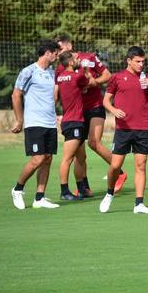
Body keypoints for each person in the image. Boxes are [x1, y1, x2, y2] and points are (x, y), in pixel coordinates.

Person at [55, 34, 116, 197]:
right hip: (76, 114)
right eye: (57, 49)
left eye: (60, 48)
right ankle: (83, 188)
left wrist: (93, 82)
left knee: (94, 143)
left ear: (69, 45)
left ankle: (118, 170)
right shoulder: (60, 67)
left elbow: (107, 75)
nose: (58, 52)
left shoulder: (88, 57)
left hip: (94, 106)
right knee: (78, 154)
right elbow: (59, 92)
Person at [99, 46, 148, 214]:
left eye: (143, 62)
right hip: (123, 129)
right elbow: (106, 101)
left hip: (141, 129)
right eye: (138, 61)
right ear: (129, 61)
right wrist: (114, 110)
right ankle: (109, 193)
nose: (141, 65)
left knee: (141, 165)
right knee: (116, 165)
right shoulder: (117, 78)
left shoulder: (146, 79)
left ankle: (139, 204)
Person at [10, 40, 61, 210]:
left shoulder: (52, 72)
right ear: (47, 52)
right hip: (34, 122)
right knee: (37, 158)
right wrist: (19, 120)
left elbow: (53, 97)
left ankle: (39, 198)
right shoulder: (28, 71)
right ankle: (18, 189)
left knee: (47, 159)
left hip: (50, 123)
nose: (56, 56)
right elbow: (16, 95)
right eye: (55, 53)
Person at [55, 51, 92, 200]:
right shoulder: (77, 76)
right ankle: (64, 191)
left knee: (81, 156)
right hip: (74, 122)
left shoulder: (61, 76)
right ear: (70, 63)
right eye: (76, 59)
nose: (78, 60)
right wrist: (86, 68)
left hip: (72, 121)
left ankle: (81, 188)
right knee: (67, 158)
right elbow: (87, 81)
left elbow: (80, 88)